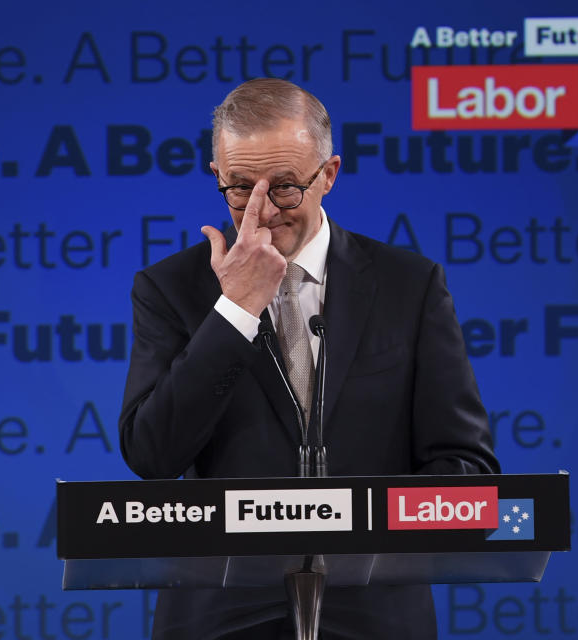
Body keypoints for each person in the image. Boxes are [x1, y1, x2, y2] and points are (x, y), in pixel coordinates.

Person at [119, 78, 499, 639]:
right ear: (217, 174)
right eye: (240, 187)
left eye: (286, 188)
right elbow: (151, 453)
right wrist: (236, 313)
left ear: (329, 174)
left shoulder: (408, 286)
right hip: (220, 618)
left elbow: (466, 469)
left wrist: (362, 523)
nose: (262, 213)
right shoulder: (171, 288)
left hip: (373, 615)